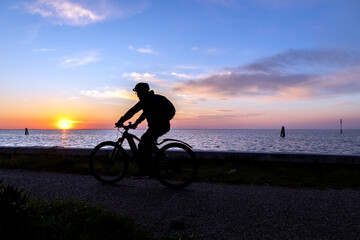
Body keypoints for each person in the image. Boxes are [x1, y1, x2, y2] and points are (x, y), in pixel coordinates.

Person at [115, 82, 175, 178]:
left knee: (143, 143)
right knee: (148, 144)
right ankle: (153, 166)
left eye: (138, 92)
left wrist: (120, 121)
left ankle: (145, 171)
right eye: (137, 92)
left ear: (144, 91)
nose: (137, 94)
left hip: (159, 126)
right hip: (161, 126)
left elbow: (132, 111)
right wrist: (136, 123)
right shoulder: (150, 100)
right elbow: (145, 114)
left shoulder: (147, 100)